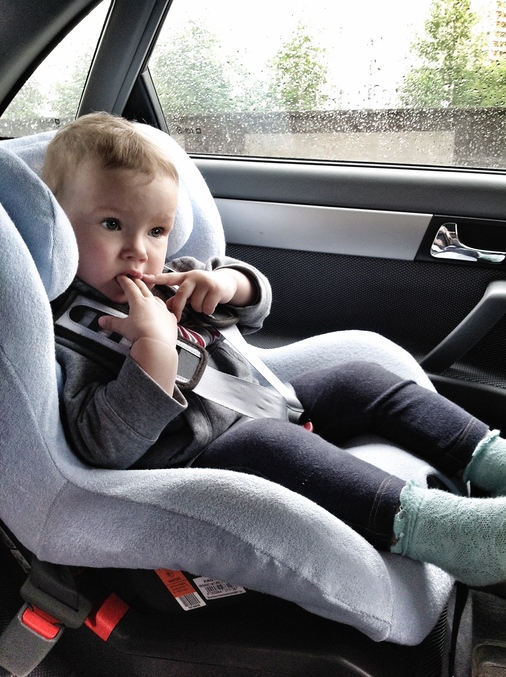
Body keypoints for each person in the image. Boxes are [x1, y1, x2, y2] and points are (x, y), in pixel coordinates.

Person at [44, 112, 506, 589]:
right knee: (268, 445)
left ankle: (492, 461)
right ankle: (452, 536)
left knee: (358, 379)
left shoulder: (172, 279)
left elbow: (256, 308)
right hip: (199, 456)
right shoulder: (64, 334)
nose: (139, 251)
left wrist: (227, 284)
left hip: (263, 399)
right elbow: (105, 446)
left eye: (156, 231)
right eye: (112, 224)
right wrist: (153, 353)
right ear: (57, 224)